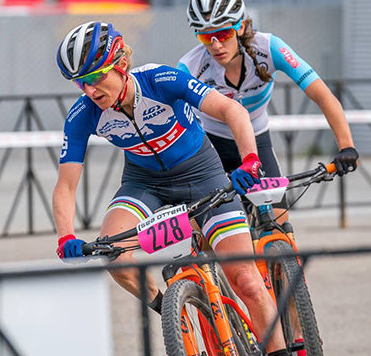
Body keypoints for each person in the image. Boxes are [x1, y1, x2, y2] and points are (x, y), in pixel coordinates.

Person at [52, 21, 289, 355]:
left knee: (247, 281)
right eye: (81, 82)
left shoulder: (161, 80)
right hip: (144, 184)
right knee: (113, 254)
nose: (90, 90)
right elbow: (65, 185)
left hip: (203, 175)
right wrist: (66, 237)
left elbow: (231, 110)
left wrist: (249, 160)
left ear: (120, 64)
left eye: (96, 77)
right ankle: (169, 310)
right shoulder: (82, 114)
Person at [178, 0, 360, 221]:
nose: (216, 45)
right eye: (205, 36)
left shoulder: (269, 47)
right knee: (211, 229)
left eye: (223, 34)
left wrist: (346, 145)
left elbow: (322, 95)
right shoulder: (190, 66)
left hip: (257, 139)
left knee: (279, 221)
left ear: (240, 26)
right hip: (212, 145)